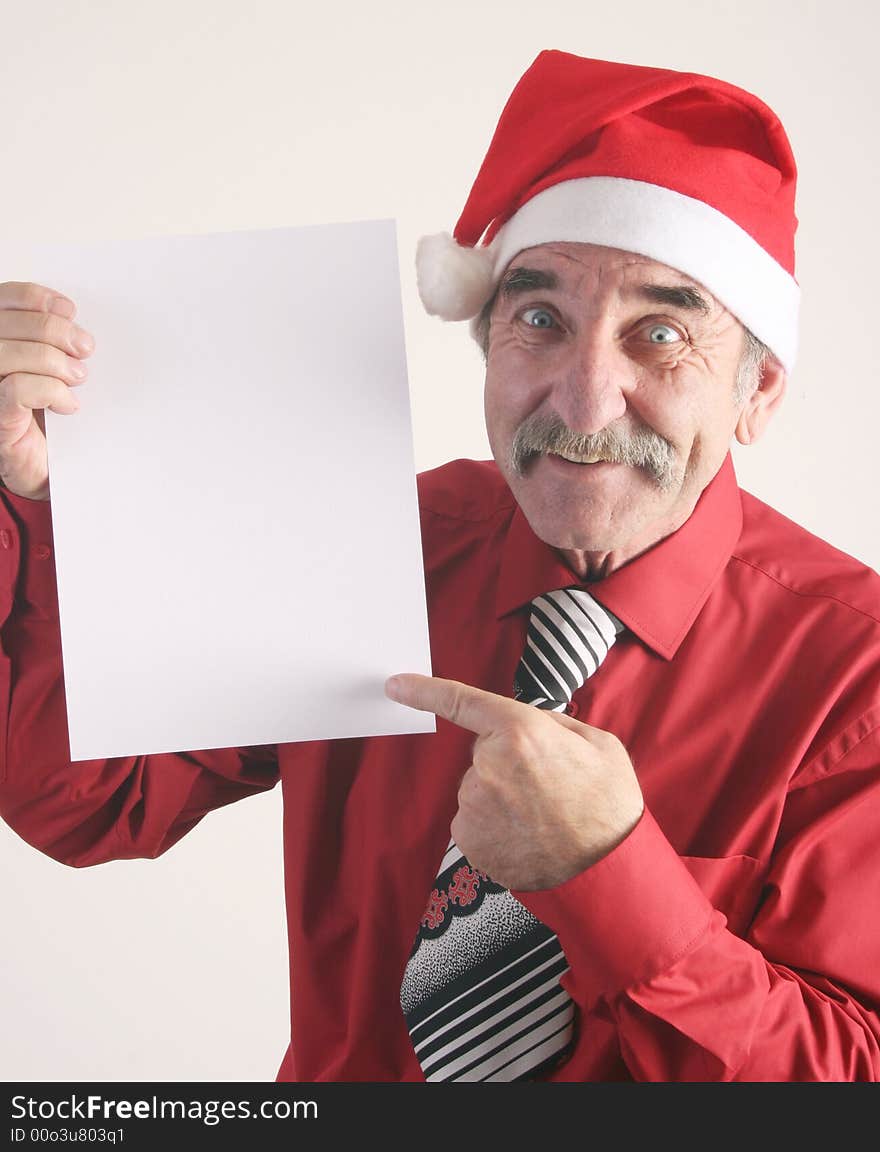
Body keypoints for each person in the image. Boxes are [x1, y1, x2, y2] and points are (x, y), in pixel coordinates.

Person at [1, 48, 878, 1083]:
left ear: (759, 390)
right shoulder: (374, 539)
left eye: (659, 334)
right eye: (539, 320)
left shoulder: (853, 674)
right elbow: (88, 797)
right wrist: (51, 505)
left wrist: (611, 879)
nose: (584, 404)